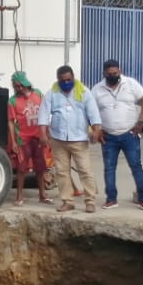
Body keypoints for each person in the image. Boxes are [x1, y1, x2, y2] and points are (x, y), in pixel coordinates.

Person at [40, 64, 102, 213]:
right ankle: (67, 201)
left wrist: (96, 131)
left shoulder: (84, 92)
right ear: (58, 80)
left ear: (73, 77)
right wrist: (43, 134)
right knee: (62, 172)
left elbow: (94, 114)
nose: (66, 82)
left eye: (69, 79)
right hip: (58, 139)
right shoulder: (52, 94)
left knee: (85, 171)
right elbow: (43, 115)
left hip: (79, 139)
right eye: (63, 80)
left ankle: (90, 201)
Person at [92, 58, 143, 210]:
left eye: (115, 73)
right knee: (109, 168)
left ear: (120, 71)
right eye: (109, 73)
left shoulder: (131, 84)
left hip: (130, 134)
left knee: (136, 166)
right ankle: (111, 199)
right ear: (104, 73)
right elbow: (90, 111)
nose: (113, 75)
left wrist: (140, 122)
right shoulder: (97, 89)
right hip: (108, 136)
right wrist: (96, 130)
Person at [8, 70, 51, 206]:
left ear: (26, 84)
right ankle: (19, 197)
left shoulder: (38, 94)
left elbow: (45, 113)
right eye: (15, 86)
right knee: (22, 168)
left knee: (40, 167)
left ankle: (42, 195)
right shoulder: (12, 101)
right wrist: (14, 141)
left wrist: (47, 133)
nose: (18, 88)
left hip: (38, 137)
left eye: (20, 85)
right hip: (23, 139)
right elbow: (11, 121)